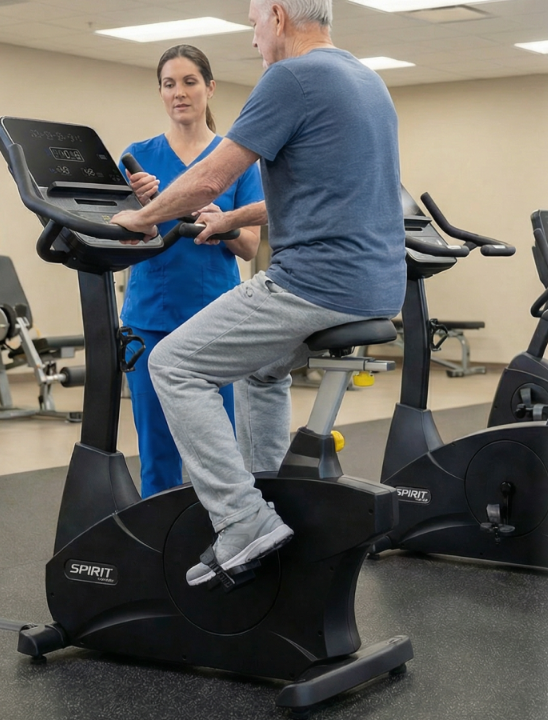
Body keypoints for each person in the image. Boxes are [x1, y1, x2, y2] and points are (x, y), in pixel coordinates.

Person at [109, 0, 404, 587]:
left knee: (173, 364)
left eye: (252, 25)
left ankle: (242, 519)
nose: (253, 39)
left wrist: (139, 219)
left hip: (313, 282)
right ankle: (271, 492)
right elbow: (322, 193)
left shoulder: (291, 76)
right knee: (261, 371)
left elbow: (210, 177)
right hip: (376, 285)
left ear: (277, 14)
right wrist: (230, 219)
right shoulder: (366, 79)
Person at [120, 44, 265, 499]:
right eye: (169, 84)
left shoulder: (235, 159)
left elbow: (249, 247)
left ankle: (223, 527)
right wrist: (142, 210)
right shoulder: (137, 158)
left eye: (189, 82)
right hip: (150, 316)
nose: (179, 92)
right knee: (156, 448)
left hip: (215, 320)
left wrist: (223, 222)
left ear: (209, 88)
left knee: (217, 447)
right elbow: (123, 242)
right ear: (160, 93)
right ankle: (158, 533)